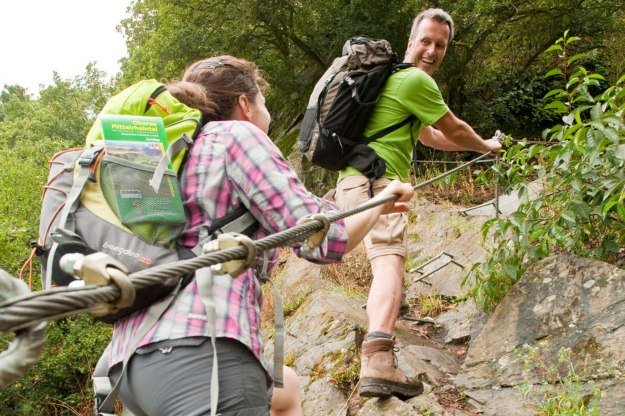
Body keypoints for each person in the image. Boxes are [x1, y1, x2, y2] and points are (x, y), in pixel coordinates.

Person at [107, 55, 414, 416]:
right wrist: (379, 202)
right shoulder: (237, 136)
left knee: (287, 388)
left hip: (131, 367)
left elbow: (308, 209)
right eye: (264, 103)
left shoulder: (171, 156)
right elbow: (325, 241)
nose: (266, 112)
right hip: (203, 353)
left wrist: (362, 204)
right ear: (244, 104)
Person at [334, 8, 502, 399]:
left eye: (440, 45)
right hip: (380, 182)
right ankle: (377, 358)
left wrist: (470, 147)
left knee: (385, 262)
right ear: (410, 42)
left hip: (354, 178)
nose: (432, 50)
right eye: (425, 41)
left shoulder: (392, 80)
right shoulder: (414, 80)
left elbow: (430, 136)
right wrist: (487, 145)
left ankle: (393, 308)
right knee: (390, 260)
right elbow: (454, 128)